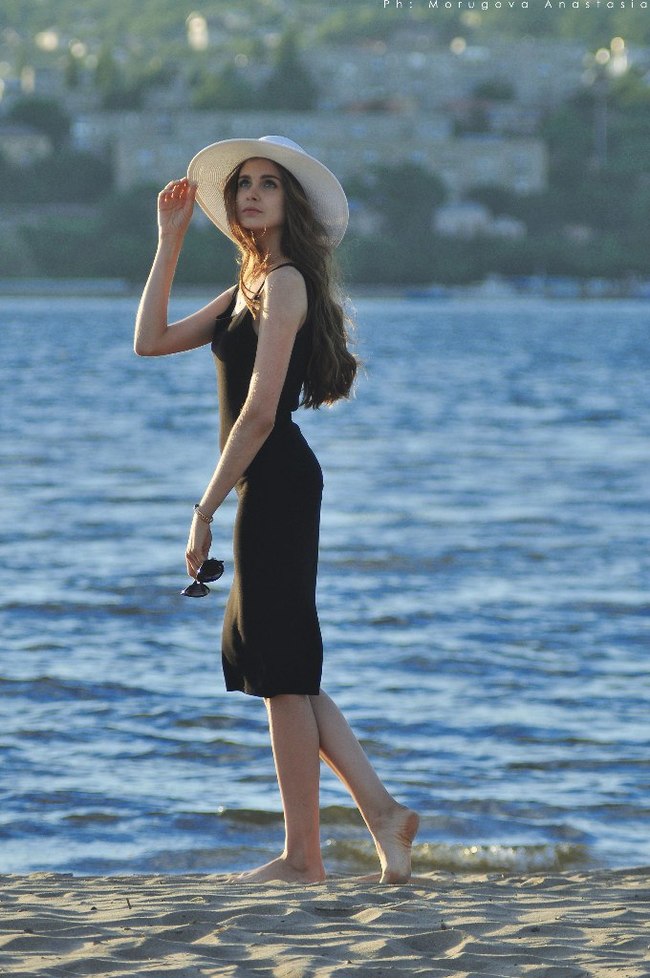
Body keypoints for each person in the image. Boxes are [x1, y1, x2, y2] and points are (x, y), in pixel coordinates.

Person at [134, 135, 419, 884]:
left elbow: (260, 415)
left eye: (268, 184)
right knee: (282, 663)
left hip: (278, 481)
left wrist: (202, 510)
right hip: (265, 484)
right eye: (242, 186)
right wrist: (169, 243)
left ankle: (304, 857)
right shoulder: (251, 284)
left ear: (290, 202)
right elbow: (150, 340)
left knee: (281, 671)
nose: (250, 194)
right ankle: (382, 813)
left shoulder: (285, 284)